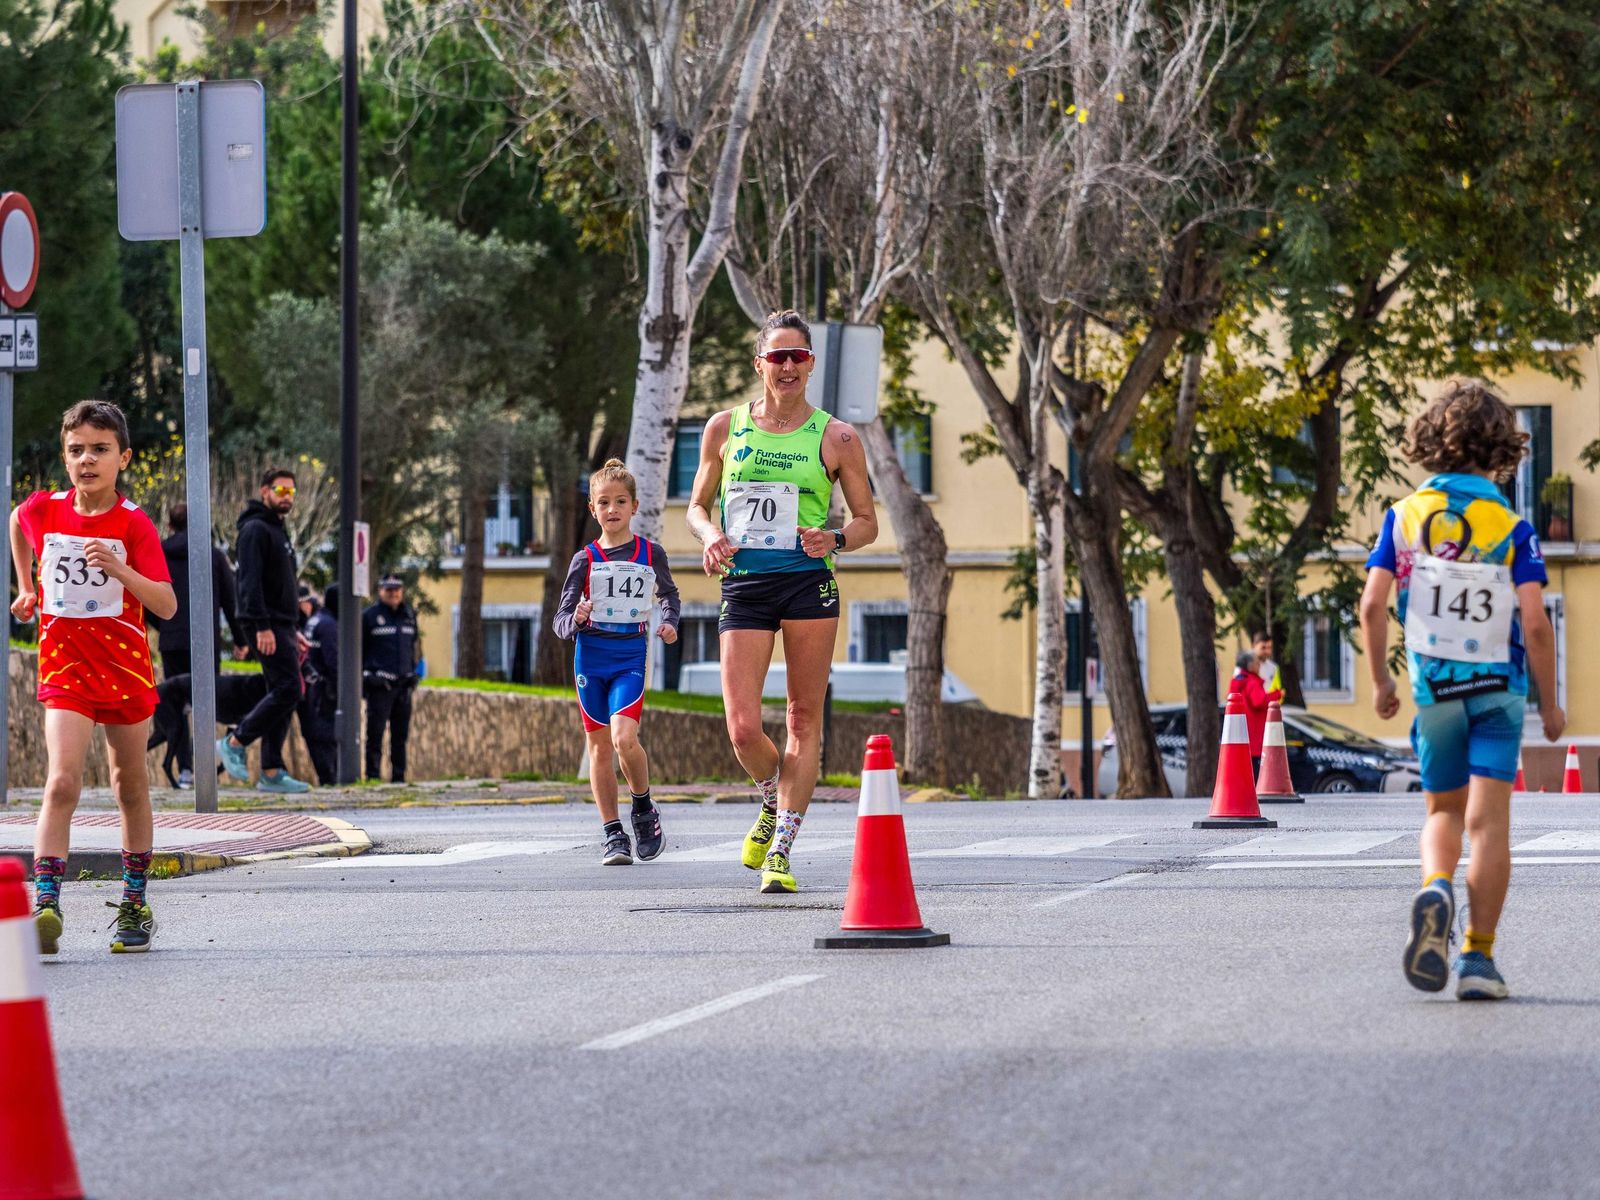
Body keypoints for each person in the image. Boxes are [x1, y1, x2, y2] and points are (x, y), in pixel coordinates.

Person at [1359, 379, 1564, 1001]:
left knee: (1443, 811)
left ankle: (1435, 884)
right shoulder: (1511, 523)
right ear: (1500, 448)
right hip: (1499, 690)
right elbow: (1535, 622)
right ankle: (1478, 960)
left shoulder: (1403, 516)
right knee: (1490, 825)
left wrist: (1380, 681)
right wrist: (1550, 705)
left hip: (1434, 690)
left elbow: (1371, 606)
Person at [685, 309, 877, 894]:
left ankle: (782, 852)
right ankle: (772, 800)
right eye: (777, 356)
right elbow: (696, 506)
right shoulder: (724, 427)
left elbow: (869, 523)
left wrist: (836, 539)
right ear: (760, 364)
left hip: (806, 583)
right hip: (744, 584)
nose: (788, 366)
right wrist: (710, 535)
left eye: (798, 356)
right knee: (742, 728)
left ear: (811, 364)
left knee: (801, 717)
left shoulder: (838, 437)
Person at [10, 401, 178, 954]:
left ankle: (134, 903)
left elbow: (168, 605)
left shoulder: (134, 523)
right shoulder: (47, 509)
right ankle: (47, 906)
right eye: (77, 449)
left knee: (129, 784)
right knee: (62, 781)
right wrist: (27, 586)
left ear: (123, 457)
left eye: (100, 450)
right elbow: (16, 520)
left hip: (124, 668)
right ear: (65, 456)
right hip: (65, 667)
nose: (87, 460)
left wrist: (121, 568)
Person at [552, 459, 680, 865]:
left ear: (635, 506)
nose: (612, 509)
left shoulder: (649, 553)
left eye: (620, 501)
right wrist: (578, 617)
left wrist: (670, 623)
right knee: (598, 747)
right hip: (591, 659)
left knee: (624, 738)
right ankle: (612, 833)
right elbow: (560, 621)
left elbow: (670, 597)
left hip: (629, 656)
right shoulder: (584, 559)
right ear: (593, 509)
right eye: (603, 502)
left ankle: (643, 809)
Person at [218, 468, 311, 794]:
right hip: (265, 623)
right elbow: (249, 583)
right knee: (289, 689)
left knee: (283, 692)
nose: (286, 497)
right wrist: (262, 627)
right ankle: (234, 741)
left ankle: (271, 771)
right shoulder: (256, 529)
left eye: (290, 492)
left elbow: (282, 585)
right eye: (279, 491)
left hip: (281, 623)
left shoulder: (278, 530)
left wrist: (293, 627)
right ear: (264, 491)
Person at [151, 501, 247, 788]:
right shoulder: (213, 556)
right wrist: (241, 641)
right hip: (205, 642)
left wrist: (166, 626)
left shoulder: (158, 553)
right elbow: (231, 602)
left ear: (170, 525)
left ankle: (185, 771)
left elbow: (146, 599)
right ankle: (206, 765)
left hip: (171, 641)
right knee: (206, 703)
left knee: (177, 705)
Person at [363, 575, 421, 783]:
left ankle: (399, 777)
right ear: (380, 591)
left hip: (403, 685)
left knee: (400, 736)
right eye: (389, 590)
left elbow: (413, 646)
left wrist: (413, 673)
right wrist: (367, 677)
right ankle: (372, 777)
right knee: (375, 735)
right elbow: (360, 651)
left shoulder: (408, 615)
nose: (393, 593)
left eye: (397, 589)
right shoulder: (370, 616)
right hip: (381, 685)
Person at [297, 585, 339, 786]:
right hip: (324, 689)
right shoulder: (329, 625)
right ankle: (330, 779)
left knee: (315, 735)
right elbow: (333, 661)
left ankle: (327, 778)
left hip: (311, 686)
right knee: (326, 736)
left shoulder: (315, 621)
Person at [1229, 649, 1282, 777]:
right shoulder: (1252, 682)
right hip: (1255, 732)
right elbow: (1259, 702)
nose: (1259, 666)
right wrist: (1277, 694)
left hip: (1241, 732)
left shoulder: (1238, 681)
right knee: (1256, 771)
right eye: (1257, 663)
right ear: (1250, 665)